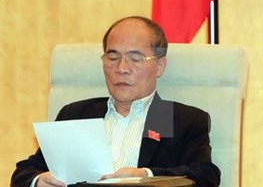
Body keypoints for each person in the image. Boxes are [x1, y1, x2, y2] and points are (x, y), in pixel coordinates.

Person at [11, 16, 221, 187]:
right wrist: (38, 181)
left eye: (135, 58)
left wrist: (144, 176)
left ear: (159, 66)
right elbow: (24, 172)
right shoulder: (76, 113)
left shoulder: (177, 118)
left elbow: (205, 175)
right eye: (112, 58)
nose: (121, 68)